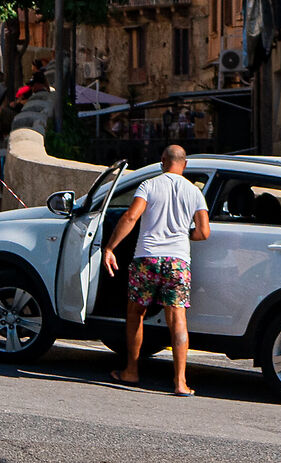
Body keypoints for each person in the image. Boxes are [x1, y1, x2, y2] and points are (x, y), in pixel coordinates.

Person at [102, 144, 209, 395]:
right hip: (178, 261)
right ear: (185, 165)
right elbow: (204, 232)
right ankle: (180, 382)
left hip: (147, 257)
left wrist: (110, 248)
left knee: (136, 313)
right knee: (177, 319)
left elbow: (130, 217)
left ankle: (131, 370)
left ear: (163, 161)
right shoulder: (194, 193)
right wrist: (183, 235)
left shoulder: (149, 185)